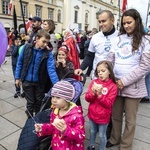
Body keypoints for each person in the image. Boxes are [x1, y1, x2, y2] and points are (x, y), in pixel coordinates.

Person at [106, 9, 150, 150]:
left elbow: (144, 66)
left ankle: (126, 145)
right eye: (124, 23)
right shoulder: (118, 39)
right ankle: (114, 138)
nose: (126, 26)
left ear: (137, 21)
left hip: (133, 86)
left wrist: (124, 81)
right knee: (116, 116)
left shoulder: (146, 40)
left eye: (129, 22)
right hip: (115, 84)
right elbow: (110, 60)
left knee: (130, 120)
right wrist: (106, 74)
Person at [74, 10, 119, 139]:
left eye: (104, 21)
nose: (101, 24)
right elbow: (89, 56)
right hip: (97, 78)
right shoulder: (95, 37)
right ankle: (95, 129)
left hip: (112, 80)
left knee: (109, 107)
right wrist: (81, 68)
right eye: (99, 21)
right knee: (95, 104)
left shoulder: (120, 36)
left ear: (112, 20)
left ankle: (107, 133)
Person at [15, 29, 59, 118]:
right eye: (43, 41)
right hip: (27, 81)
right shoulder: (26, 48)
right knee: (30, 103)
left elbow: (51, 70)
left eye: (47, 42)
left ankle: (38, 119)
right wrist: (17, 77)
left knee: (39, 102)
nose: (45, 44)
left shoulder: (48, 53)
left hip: (39, 82)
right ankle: (30, 120)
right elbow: (19, 63)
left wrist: (57, 84)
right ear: (37, 38)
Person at [34, 80, 85, 150]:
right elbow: (53, 127)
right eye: (53, 96)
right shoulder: (55, 111)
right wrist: (42, 128)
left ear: (67, 99)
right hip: (57, 146)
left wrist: (65, 130)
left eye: (58, 97)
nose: (54, 100)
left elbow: (81, 136)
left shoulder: (76, 116)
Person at [85, 60, 118, 150]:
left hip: (103, 116)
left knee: (101, 135)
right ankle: (91, 146)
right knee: (92, 131)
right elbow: (87, 98)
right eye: (98, 71)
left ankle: (102, 148)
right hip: (92, 114)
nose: (100, 73)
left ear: (110, 72)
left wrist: (100, 95)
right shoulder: (94, 82)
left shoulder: (113, 87)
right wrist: (92, 93)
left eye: (103, 71)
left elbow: (109, 103)